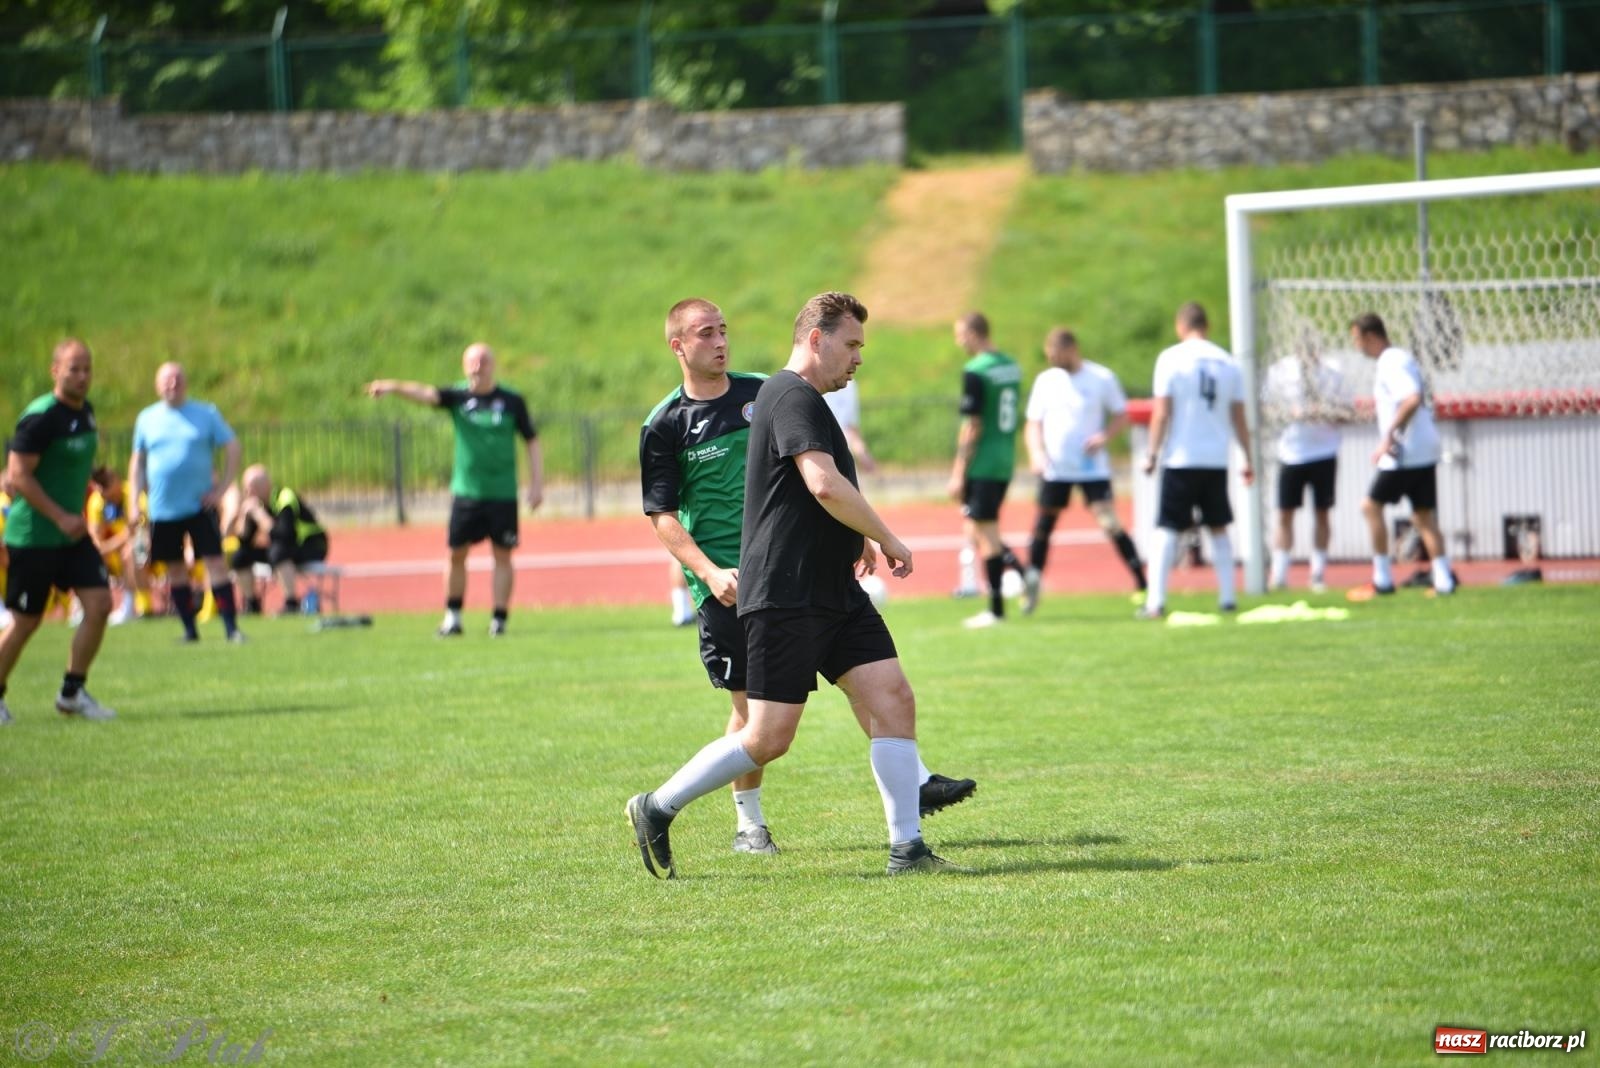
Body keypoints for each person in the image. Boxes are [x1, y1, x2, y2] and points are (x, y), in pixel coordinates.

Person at [627, 292, 974, 879]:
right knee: (765, 737)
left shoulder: (784, 394)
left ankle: (907, 849)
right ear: (817, 339)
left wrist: (854, 538)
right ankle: (657, 807)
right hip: (785, 592)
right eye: (853, 344)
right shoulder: (788, 394)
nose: (859, 358)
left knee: (893, 699)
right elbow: (823, 484)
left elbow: (823, 488)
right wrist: (889, 537)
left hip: (831, 589)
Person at [366, 343, 543, 637]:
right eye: (472, 362)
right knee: (455, 554)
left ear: (493, 365)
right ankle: (453, 617)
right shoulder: (458, 397)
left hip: (502, 493)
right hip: (466, 493)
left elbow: (532, 441)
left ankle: (499, 620)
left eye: (483, 361)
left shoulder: (512, 401)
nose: (478, 367)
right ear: (464, 366)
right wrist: (391, 387)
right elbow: (425, 393)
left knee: (503, 555)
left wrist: (537, 484)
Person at [0, 339, 117, 724]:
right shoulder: (40, 417)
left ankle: (72, 692)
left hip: (70, 535)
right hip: (35, 535)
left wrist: (96, 476)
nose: (82, 376)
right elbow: (18, 477)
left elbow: (69, 463)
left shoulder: (87, 414)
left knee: (100, 603)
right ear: (55, 371)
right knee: (26, 620)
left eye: (87, 368)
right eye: (74, 369)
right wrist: (59, 516)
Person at [1139, 302, 1254, 619]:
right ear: (1207, 325)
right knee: (1218, 527)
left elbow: (1161, 412)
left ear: (1181, 325)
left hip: (1181, 456)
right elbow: (1240, 417)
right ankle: (1228, 598)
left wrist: (1151, 453)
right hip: (1216, 458)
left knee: (1167, 527)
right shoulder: (1228, 362)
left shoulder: (1171, 359)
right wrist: (1247, 457)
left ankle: (1156, 601)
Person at [1021, 327, 1145, 611]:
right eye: (1049, 356)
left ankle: (1142, 585)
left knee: (1110, 523)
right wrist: (1036, 453)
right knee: (1043, 526)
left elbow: (1121, 414)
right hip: (1057, 469)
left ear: (1072, 349)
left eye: (1057, 355)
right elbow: (1032, 423)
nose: (1053, 360)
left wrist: (1104, 436)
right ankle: (1032, 586)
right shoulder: (1046, 381)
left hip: (1091, 469)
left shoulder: (1101, 377)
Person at [128, 361, 245, 644]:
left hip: (199, 506)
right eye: (166, 380)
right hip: (162, 509)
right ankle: (190, 631)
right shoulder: (147, 418)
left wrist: (222, 488)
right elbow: (138, 463)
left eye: (177, 378)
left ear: (186, 382)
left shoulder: (205, 413)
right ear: (157, 385)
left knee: (215, 563)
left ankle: (231, 629)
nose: (172, 384)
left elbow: (232, 447)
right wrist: (134, 502)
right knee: (175, 568)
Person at [1346, 312, 1456, 599]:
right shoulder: (1398, 359)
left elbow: (1411, 399)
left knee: (1370, 506)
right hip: (1421, 448)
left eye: (1357, 339)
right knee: (1423, 516)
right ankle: (1443, 581)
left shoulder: (1391, 360)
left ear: (1370, 336)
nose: (1357, 347)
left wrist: (1389, 435)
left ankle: (1382, 579)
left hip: (1405, 451)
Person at [947, 312, 1028, 629]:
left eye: (960, 334)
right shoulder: (1011, 366)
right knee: (976, 529)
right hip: (1004, 457)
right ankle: (1022, 575)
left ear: (973, 333)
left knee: (986, 533)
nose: (958, 341)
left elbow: (973, 425)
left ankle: (996, 608)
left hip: (981, 461)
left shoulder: (976, 370)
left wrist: (957, 470)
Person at [1264, 344, 1349, 593]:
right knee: (1284, 513)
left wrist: (1324, 412)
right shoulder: (1280, 371)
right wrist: (1290, 413)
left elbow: (1348, 409)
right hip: (1292, 452)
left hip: (1324, 450)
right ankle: (1279, 573)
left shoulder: (1333, 371)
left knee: (1322, 512)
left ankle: (1318, 573)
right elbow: (1266, 406)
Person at [230, 464, 329, 614]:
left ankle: (291, 603)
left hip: (312, 546)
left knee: (278, 551)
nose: (249, 492)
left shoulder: (285, 496)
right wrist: (244, 516)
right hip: (286, 548)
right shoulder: (257, 504)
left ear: (266, 486)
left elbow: (284, 534)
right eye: (246, 488)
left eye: (252, 487)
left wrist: (260, 515)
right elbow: (244, 541)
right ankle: (251, 604)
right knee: (240, 555)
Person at [87, 466, 146, 623]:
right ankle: (85, 608)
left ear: (116, 481)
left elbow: (140, 535)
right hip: (113, 553)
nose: (102, 490)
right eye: (99, 485)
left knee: (131, 552)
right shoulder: (96, 503)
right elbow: (96, 542)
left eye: (106, 484)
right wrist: (122, 539)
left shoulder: (133, 496)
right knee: (87, 555)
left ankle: (133, 607)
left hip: (144, 554)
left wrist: (113, 545)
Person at [822, 378, 877, 474]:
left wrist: (863, 455)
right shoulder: (814, 381)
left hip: (840, 449)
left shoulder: (849, 384)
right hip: (823, 450)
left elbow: (850, 426)